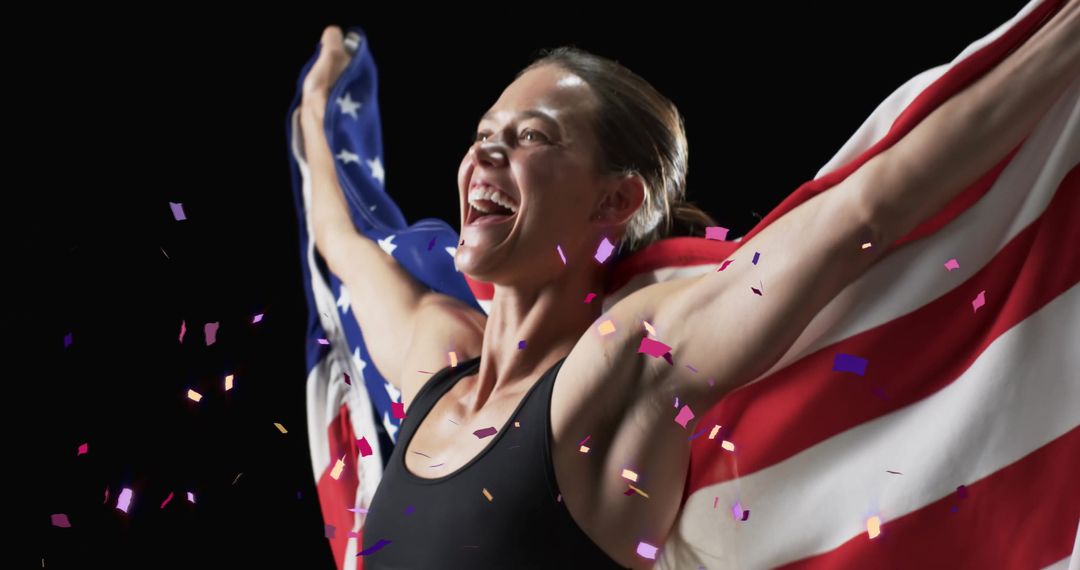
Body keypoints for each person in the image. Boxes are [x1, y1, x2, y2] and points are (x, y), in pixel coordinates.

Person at [299, 4, 1079, 567]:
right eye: (483, 137)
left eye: (532, 137)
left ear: (615, 201)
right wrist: (319, 96)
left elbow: (865, 211)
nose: (487, 157)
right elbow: (341, 241)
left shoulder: (622, 370)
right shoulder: (437, 367)